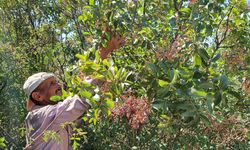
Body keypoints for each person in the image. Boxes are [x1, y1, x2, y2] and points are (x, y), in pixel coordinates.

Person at [23, 34, 125, 150]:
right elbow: (76, 104)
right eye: (51, 83)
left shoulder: (56, 117)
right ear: (38, 96)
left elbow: (81, 111)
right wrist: (104, 53)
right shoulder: (38, 116)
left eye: (56, 81)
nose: (58, 85)